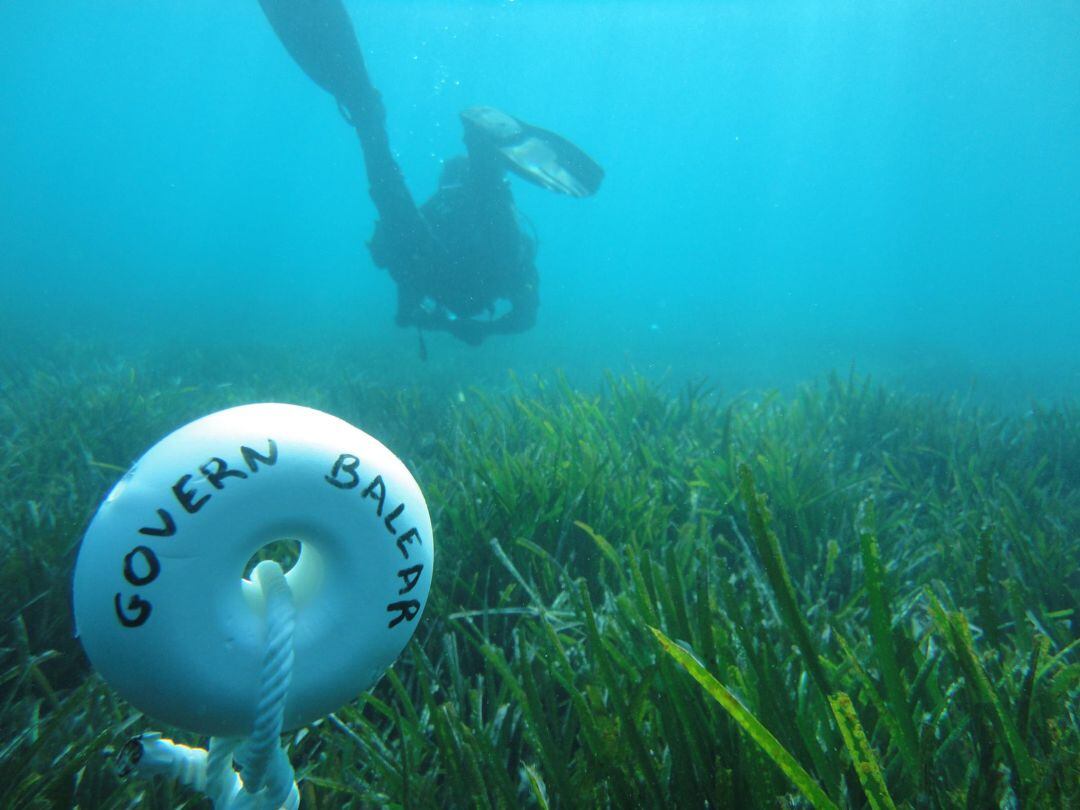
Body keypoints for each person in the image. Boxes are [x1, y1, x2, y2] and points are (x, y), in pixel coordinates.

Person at [257, 0, 602, 346]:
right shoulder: (491, 235)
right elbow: (524, 317)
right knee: (397, 205)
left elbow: (406, 308)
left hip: (443, 267)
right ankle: (372, 122)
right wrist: (474, 328)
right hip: (481, 266)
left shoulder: (444, 211)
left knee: (402, 218)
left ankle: (397, 129)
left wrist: (449, 323)